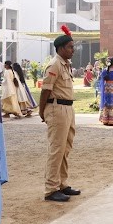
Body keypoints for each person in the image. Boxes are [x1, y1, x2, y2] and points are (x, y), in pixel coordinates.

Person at [39, 26, 80, 202]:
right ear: (61, 48)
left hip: (67, 108)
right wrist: (42, 112)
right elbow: (45, 91)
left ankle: (62, 183)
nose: (73, 50)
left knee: (65, 148)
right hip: (57, 109)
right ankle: (51, 188)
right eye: (70, 47)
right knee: (56, 149)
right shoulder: (54, 64)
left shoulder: (66, 65)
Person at [98, 58, 113, 126]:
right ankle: (112, 120)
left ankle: (105, 119)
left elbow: (101, 79)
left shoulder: (104, 71)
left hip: (106, 88)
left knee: (106, 103)